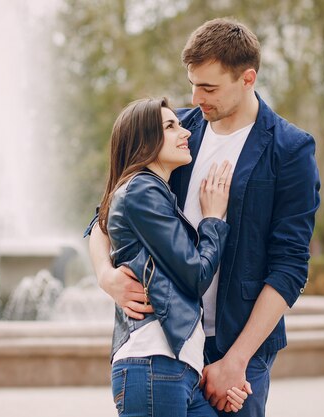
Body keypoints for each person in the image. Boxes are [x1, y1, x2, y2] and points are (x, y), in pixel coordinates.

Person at [87, 18, 321, 416]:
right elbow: (104, 216)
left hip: (241, 350)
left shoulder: (290, 149)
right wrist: (106, 277)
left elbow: (289, 267)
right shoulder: (176, 133)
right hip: (168, 340)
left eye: (209, 87)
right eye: (192, 83)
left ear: (247, 79)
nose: (195, 97)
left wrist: (236, 360)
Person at [93, 96, 250, 416]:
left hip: (178, 367)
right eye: (170, 126)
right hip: (154, 363)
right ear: (143, 140)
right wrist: (213, 222)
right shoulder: (142, 191)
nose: (186, 132)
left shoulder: (153, 193)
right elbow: (194, 276)